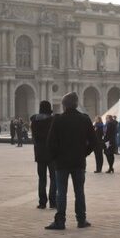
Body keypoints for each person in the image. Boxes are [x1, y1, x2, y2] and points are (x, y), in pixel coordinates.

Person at [45, 92, 98, 230]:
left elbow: (50, 143)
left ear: (64, 105)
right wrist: (83, 153)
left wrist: (55, 157)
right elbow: (94, 142)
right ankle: (81, 220)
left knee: (61, 192)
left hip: (61, 163)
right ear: (76, 104)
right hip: (79, 162)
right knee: (79, 192)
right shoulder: (85, 119)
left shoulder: (58, 120)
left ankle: (60, 221)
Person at [30, 101, 56, 209]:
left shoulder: (34, 121)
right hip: (52, 153)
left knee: (42, 179)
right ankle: (53, 201)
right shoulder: (53, 121)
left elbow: (34, 137)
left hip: (40, 153)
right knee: (54, 178)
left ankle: (42, 202)